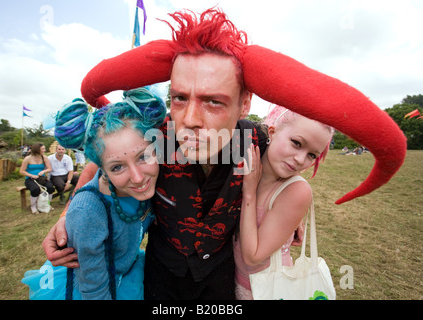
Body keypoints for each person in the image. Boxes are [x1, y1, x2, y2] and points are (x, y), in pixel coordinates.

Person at [41, 7, 406, 300]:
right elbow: (104, 156)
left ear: (245, 103)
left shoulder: (258, 140)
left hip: (220, 275)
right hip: (161, 271)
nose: (191, 119)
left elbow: (295, 156)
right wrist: (70, 217)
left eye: (214, 102)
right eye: (180, 98)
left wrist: (286, 218)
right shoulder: (155, 137)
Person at [21, 87, 166, 299]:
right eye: (117, 167)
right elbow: (93, 288)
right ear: (102, 169)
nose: (137, 177)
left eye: (144, 156)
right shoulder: (88, 212)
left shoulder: (147, 181)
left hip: (127, 272)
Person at [233, 105, 334, 300]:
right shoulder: (243, 160)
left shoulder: (296, 190)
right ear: (273, 131)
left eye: (312, 155)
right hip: (228, 282)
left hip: (265, 292)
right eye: (296, 143)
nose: (300, 159)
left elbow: (253, 256)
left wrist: (249, 194)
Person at [19, 143, 54, 214]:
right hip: (30, 179)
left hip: (41, 178)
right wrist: (31, 175)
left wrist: (43, 171)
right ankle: (33, 206)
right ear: (37, 150)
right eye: (43, 149)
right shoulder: (28, 158)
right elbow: (22, 171)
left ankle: (47, 204)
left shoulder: (44, 158)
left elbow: (49, 169)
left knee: (50, 187)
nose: (44, 150)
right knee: (35, 189)